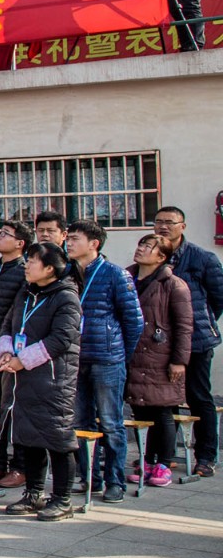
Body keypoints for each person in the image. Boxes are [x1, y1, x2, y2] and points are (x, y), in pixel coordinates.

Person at [0, 243, 83, 521]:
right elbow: (8, 325)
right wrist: (7, 351)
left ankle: (62, 499)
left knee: (57, 439)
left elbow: (61, 339)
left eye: (32, 260)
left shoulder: (66, 297)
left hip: (52, 379)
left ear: (49, 268)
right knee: (29, 438)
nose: (26, 265)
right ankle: (33, 494)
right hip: (22, 378)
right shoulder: (27, 292)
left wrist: (24, 360)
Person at [65, 219, 142, 503]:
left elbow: (133, 322)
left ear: (94, 243)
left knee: (111, 422)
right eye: (68, 238)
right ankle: (89, 478)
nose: (69, 242)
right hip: (76, 357)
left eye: (75, 238)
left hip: (107, 359)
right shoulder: (67, 274)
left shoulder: (115, 275)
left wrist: (120, 353)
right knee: (81, 422)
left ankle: (114, 481)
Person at [152, 205, 223, 477]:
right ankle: (163, 457)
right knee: (162, 400)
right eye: (158, 222)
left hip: (197, 341)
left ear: (182, 226)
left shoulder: (202, 259)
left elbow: (217, 299)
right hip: (159, 343)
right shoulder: (154, 256)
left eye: (170, 222)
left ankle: (205, 456)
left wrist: (194, 325)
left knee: (198, 396)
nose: (163, 227)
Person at [126, 234, 192, 487]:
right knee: (141, 408)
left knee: (162, 410)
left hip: (161, 357)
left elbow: (184, 326)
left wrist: (179, 361)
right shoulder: (127, 277)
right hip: (135, 356)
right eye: (140, 243)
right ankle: (148, 460)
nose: (141, 248)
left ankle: (164, 462)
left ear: (162, 256)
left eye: (148, 246)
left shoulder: (173, 285)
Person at [0, 220, 33, 488]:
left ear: (20, 243)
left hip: (7, 351)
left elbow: (15, 314)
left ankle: (20, 466)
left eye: (4, 234)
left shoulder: (25, 271)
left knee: (11, 409)